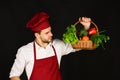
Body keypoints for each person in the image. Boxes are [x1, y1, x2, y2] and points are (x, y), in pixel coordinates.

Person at [9, 11, 92, 80]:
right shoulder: (24, 51)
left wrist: (86, 27)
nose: (51, 34)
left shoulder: (57, 45)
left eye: (50, 31)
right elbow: (14, 75)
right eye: (47, 33)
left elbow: (79, 45)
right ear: (37, 35)